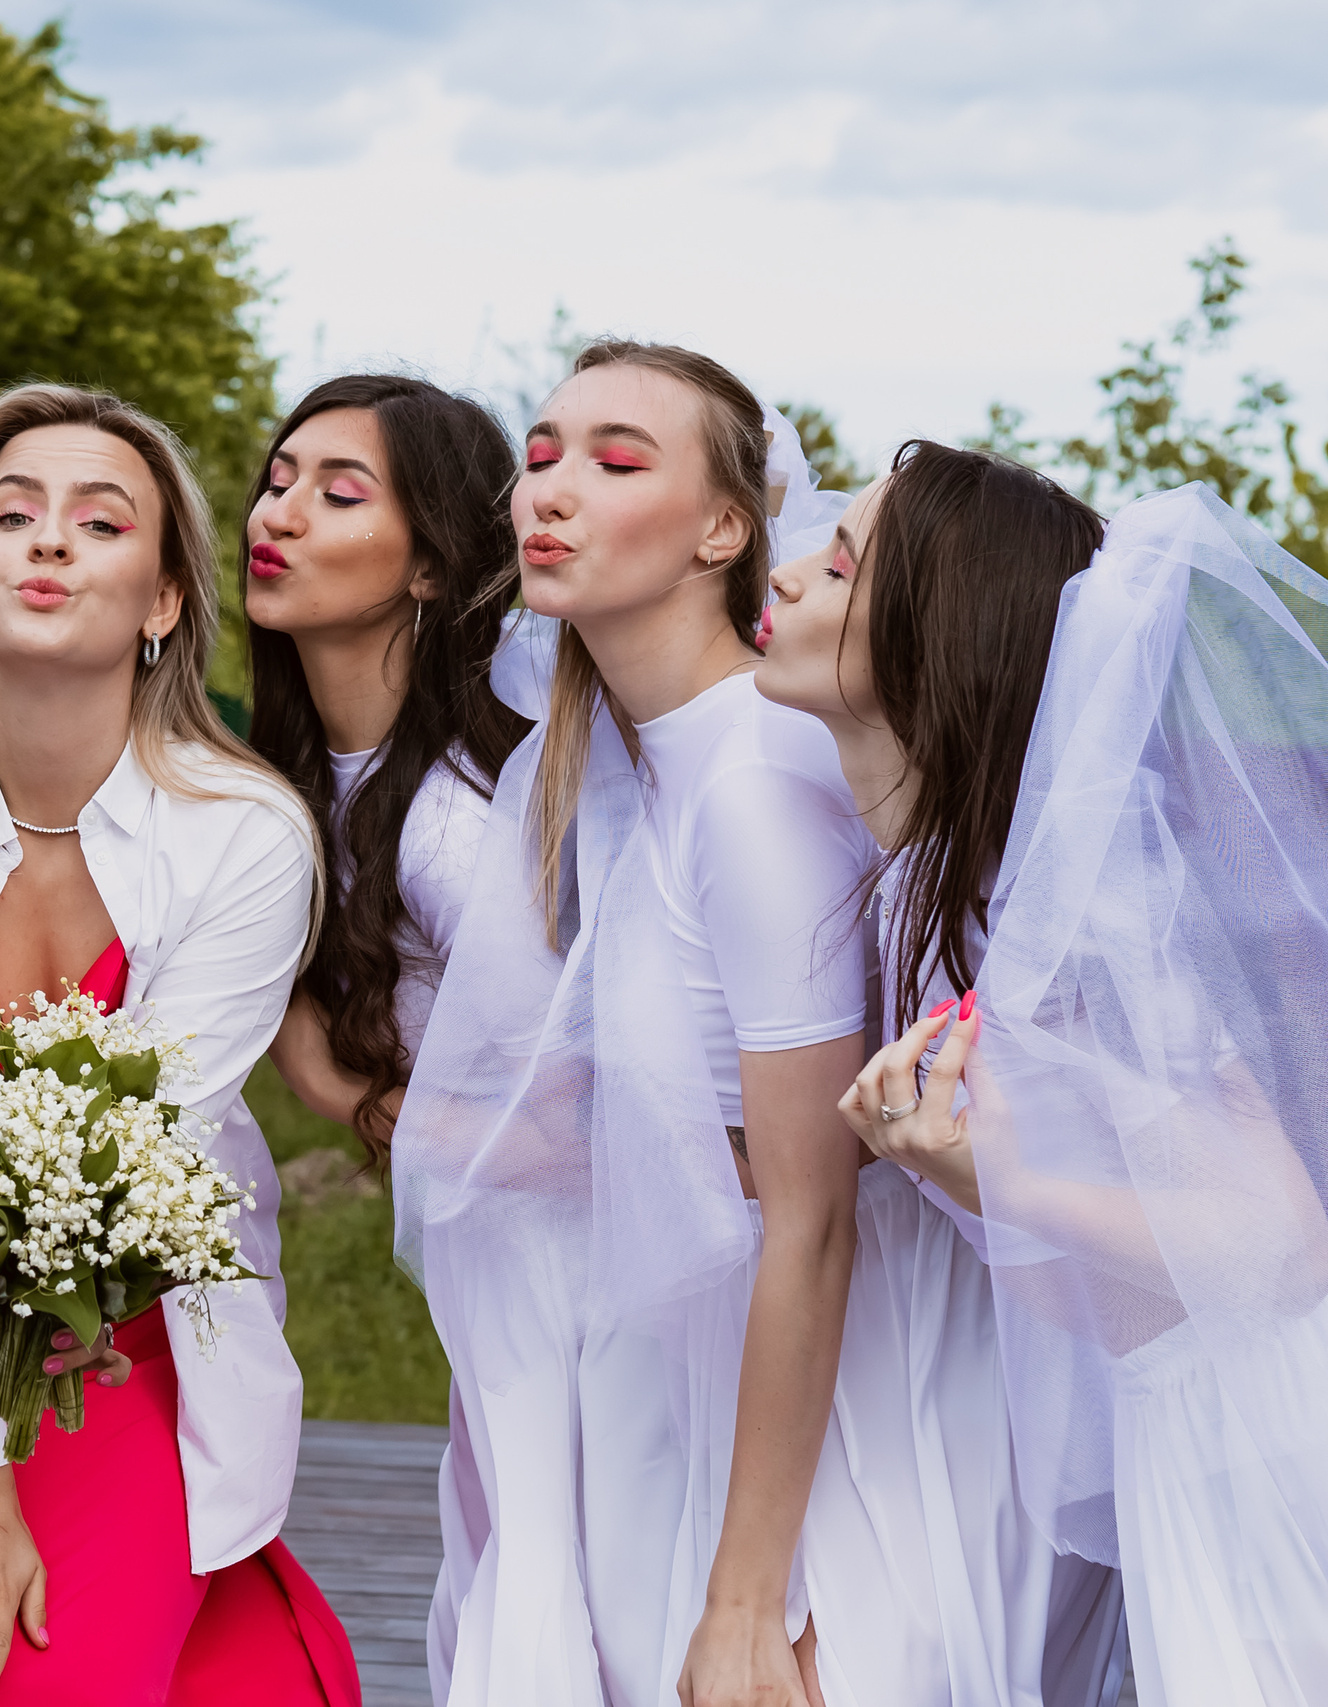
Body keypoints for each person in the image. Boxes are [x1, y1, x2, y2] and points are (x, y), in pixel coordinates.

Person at [395, 341, 1085, 1707]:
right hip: (698, 1360)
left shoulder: (761, 776)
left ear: (726, 526)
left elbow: (814, 1212)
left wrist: (744, 1597)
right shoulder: (614, 766)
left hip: (851, 1396)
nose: (553, 489)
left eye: (616, 459)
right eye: (540, 456)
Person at [0, 381, 359, 1706]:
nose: (49, 542)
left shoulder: (246, 832)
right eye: (11, 514)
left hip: (123, 1347)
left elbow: (138, 1164)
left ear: (161, 600)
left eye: (100, 523)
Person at [760, 446, 1318, 1704]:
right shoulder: (938, 883)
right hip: (1180, 1420)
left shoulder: (1083, 917)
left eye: (838, 563)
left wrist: (982, 1168)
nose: (787, 576)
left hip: (1256, 1433)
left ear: (933, 635)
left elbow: (1281, 1242)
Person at [237, 374, 530, 1702]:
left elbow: (602, 1108)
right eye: (278, 476)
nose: (278, 512)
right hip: (488, 1289)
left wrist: (329, 1081)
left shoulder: (463, 827)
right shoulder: (306, 774)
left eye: (337, 492)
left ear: (430, 567)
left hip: (573, 1286)